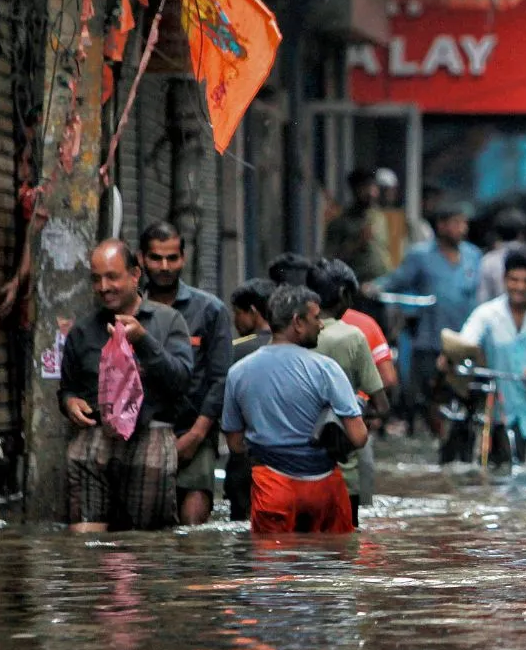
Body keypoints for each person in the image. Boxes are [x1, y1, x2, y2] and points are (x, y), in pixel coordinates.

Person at [60, 239, 194, 532]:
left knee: (144, 543)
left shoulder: (168, 321)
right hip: (95, 442)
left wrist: (143, 341)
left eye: (112, 277)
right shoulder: (83, 331)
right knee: (85, 539)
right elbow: (67, 388)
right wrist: (70, 402)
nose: (104, 287)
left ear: (135, 275)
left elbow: (181, 381)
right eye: (96, 279)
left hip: (150, 439)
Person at [221, 285, 369, 534]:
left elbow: (235, 445)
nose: (321, 325)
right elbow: (359, 437)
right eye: (316, 318)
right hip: (324, 490)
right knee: (333, 557)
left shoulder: (238, 372)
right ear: (297, 322)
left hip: (272, 487)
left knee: (273, 557)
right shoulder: (326, 369)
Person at [139, 221, 233, 526]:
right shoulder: (130, 309)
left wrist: (196, 435)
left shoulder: (209, 310)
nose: (165, 267)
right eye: (156, 258)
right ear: (142, 259)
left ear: (183, 258)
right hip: (141, 433)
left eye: (172, 258)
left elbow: (220, 379)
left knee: (192, 528)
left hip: (193, 430)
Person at [371, 202, 481, 433]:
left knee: (466, 393)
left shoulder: (473, 255)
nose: (462, 228)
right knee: (430, 393)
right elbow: (397, 280)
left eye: (464, 223)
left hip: (464, 338)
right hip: (431, 336)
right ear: (441, 225)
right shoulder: (420, 255)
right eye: (456, 223)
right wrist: (373, 288)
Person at [457, 246, 526, 462]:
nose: (520, 287)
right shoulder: (487, 313)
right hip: (505, 408)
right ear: (504, 279)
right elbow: (467, 340)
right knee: (506, 466)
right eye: (514, 280)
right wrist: (454, 353)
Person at [307, 259, 390, 528]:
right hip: (342, 471)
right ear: (343, 294)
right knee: (345, 544)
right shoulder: (352, 336)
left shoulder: (294, 333)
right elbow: (382, 403)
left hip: (293, 471)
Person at [226, 278, 278, 522]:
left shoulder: (234, 350)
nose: (235, 321)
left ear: (253, 312)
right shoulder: (297, 348)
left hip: (246, 459)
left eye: (238, 313)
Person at [323, 168, 391, 285]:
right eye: (365, 188)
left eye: (373, 187)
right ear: (355, 190)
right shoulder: (340, 222)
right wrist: (357, 243)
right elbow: (331, 261)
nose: (371, 193)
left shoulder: (379, 217)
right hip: (356, 286)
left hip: (381, 284)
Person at [478, 207, 526, 302]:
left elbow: (483, 296)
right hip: (516, 307)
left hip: (503, 309)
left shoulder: (488, 260)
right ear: (522, 233)